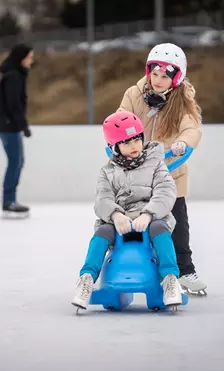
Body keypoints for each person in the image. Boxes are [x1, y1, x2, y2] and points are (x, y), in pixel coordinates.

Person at [117, 43, 207, 295]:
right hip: (136, 172)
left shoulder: (182, 100)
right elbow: (121, 117)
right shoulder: (134, 94)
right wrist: (116, 137)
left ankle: (185, 270)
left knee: (177, 224)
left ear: (175, 78)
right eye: (153, 74)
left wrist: (183, 143)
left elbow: (192, 127)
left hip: (170, 173)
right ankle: (126, 266)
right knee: (132, 220)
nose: (157, 81)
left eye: (164, 76)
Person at [71, 111, 182, 311]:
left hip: (152, 217)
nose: (134, 146)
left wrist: (148, 214)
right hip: (119, 220)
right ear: (115, 147)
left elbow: (166, 191)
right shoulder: (107, 172)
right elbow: (102, 199)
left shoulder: (156, 164)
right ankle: (86, 279)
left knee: (160, 229)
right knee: (102, 233)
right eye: (126, 142)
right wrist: (115, 215)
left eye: (136, 139)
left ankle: (170, 278)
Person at [0, 43, 34, 219]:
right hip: (8, 125)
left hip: (8, 124)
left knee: (17, 161)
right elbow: (13, 104)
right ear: (21, 58)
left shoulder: (16, 74)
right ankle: (8, 201)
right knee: (15, 161)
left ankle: (10, 200)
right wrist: (22, 124)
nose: (31, 61)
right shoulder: (14, 76)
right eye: (30, 57)